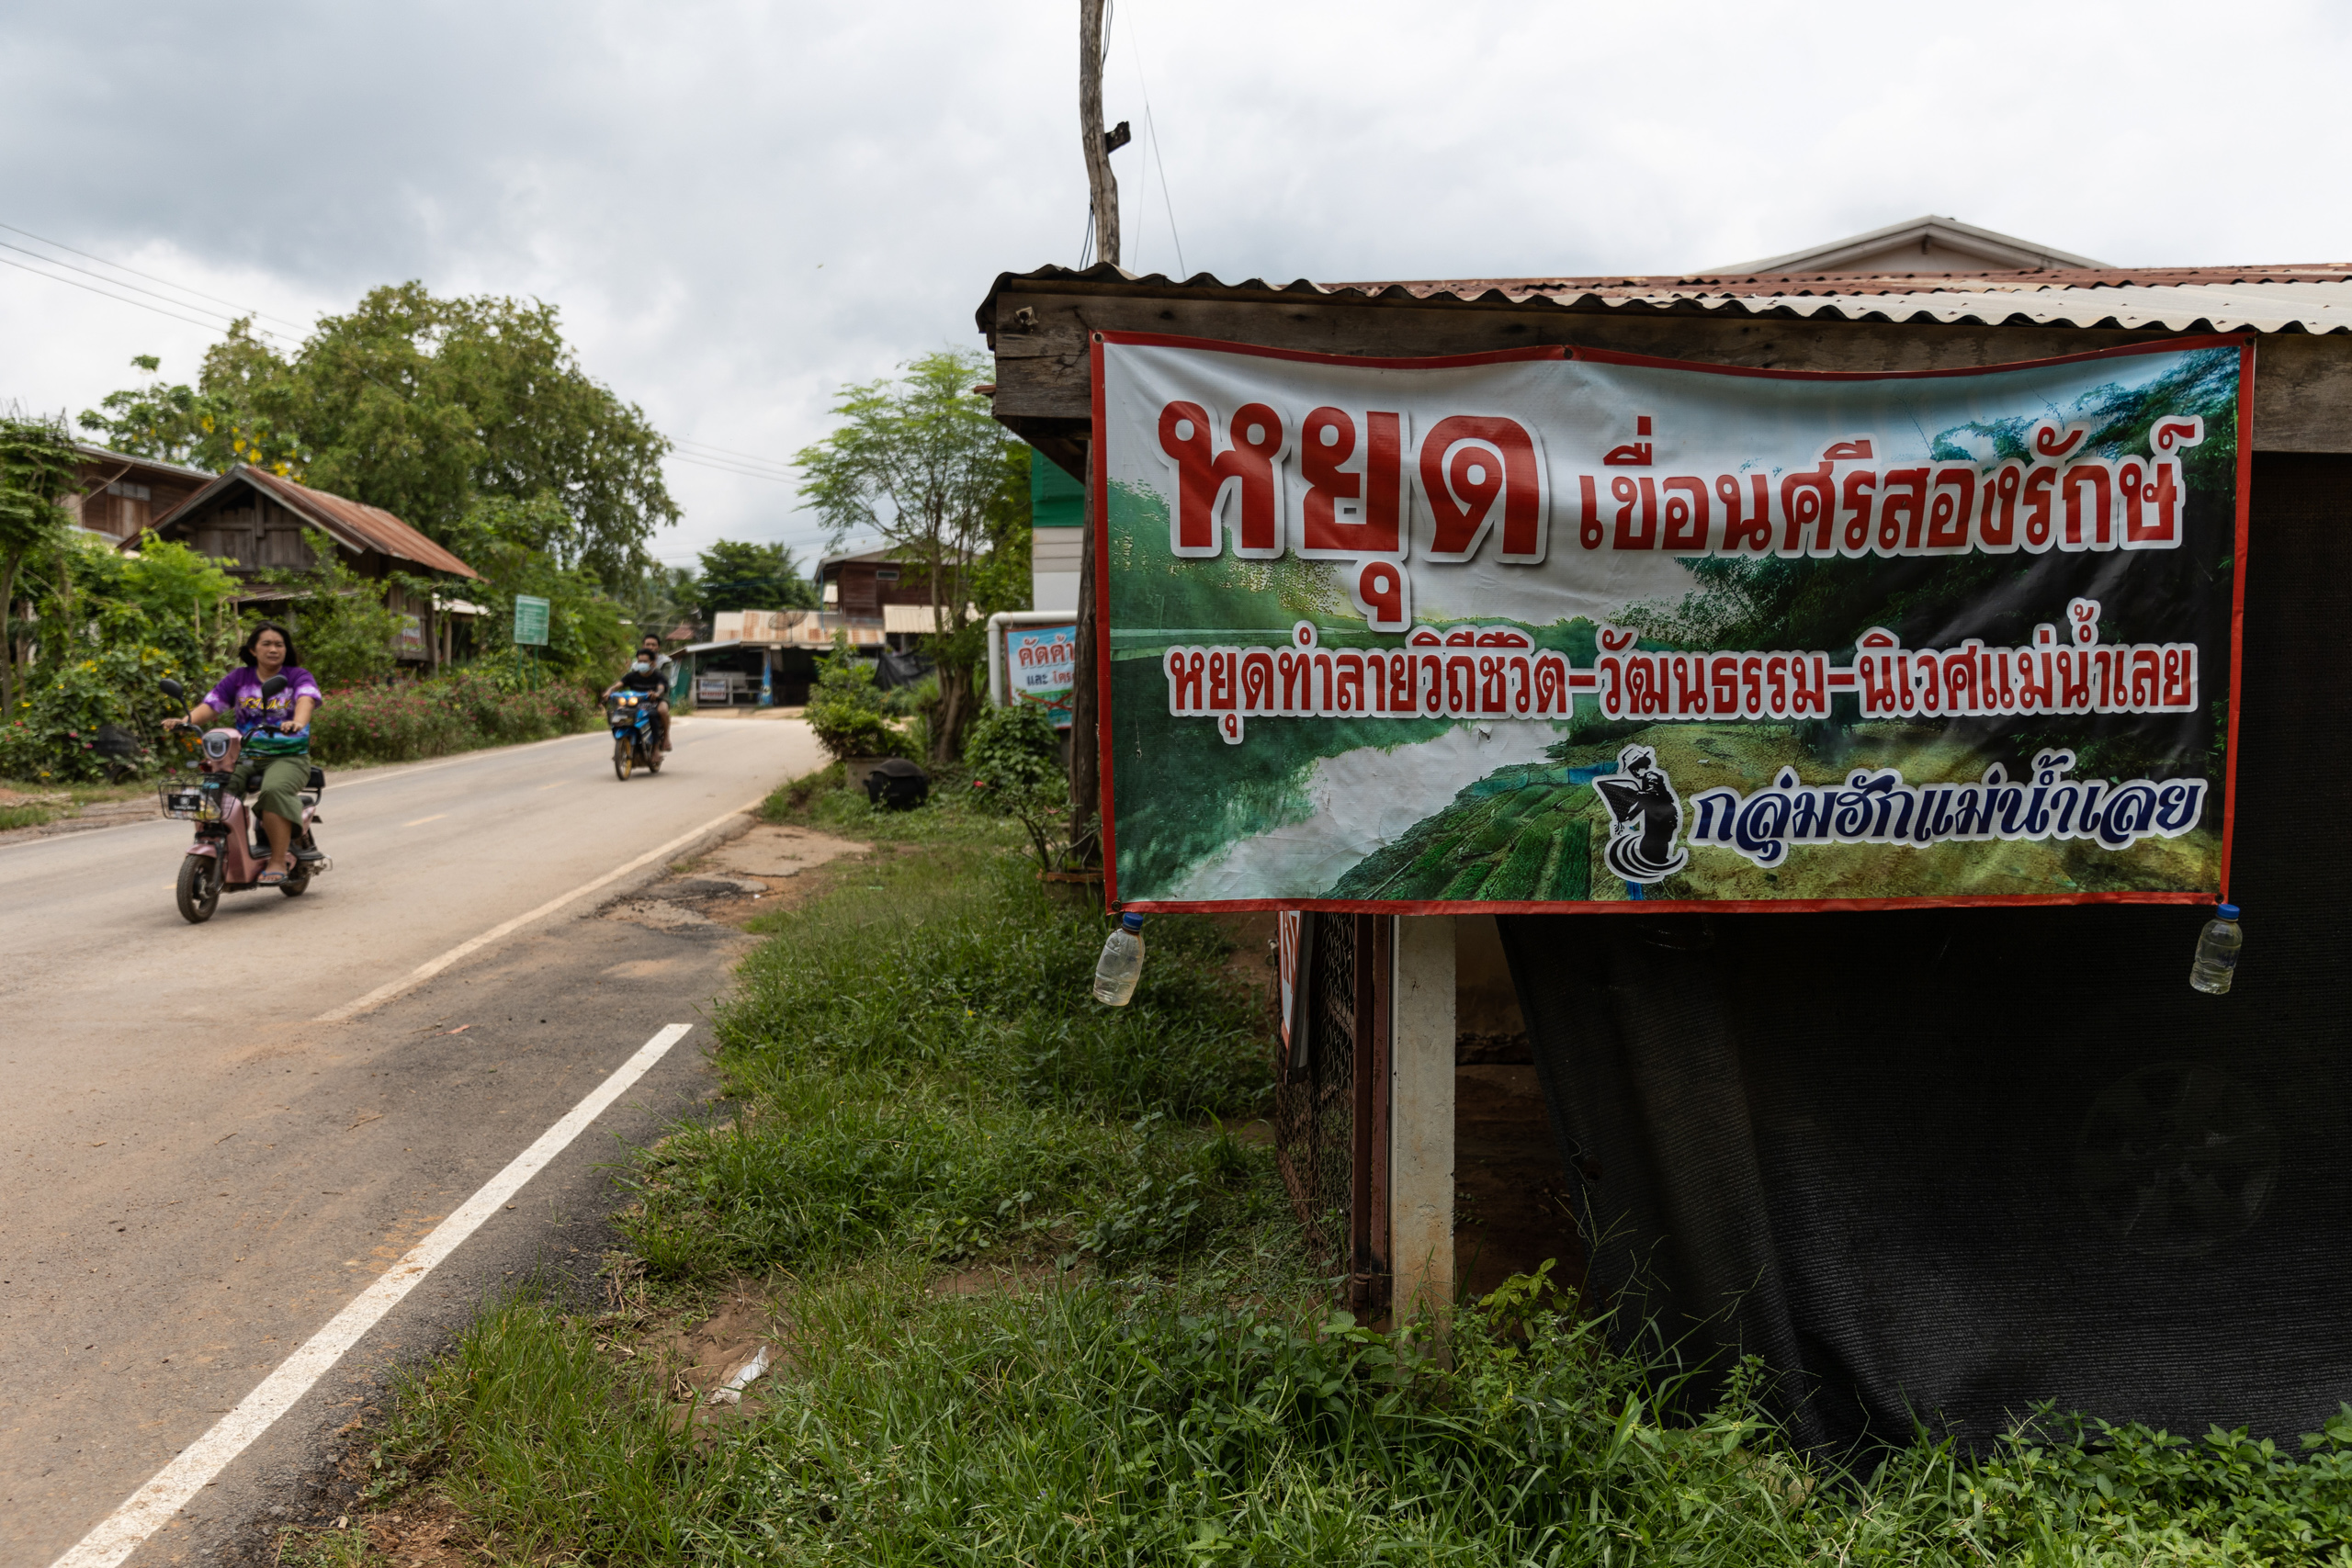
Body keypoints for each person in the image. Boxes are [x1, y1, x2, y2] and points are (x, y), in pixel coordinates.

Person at [175, 623, 323, 885]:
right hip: (245, 756)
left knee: (273, 791)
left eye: (279, 644)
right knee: (213, 793)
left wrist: (298, 722)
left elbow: (306, 700)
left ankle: (277, 859)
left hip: (288, 756)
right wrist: (183, 720)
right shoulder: (239, 678)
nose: (274, 649)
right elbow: (211, 706)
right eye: (266, 644)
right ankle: (224, 851)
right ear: (253, 649)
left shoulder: (298, 675)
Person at [605, 634, 673, 751]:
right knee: (618, 712)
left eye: (654, 645)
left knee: (661, 711)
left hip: (658, 696)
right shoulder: (635, 668)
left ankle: (665, 738)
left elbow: (663, 684)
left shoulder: (664, 665)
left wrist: (657, 693)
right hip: (637, 696)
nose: (651, 647)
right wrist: (610, 691)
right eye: (648, 644)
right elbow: (623, 682)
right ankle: (623, 744)